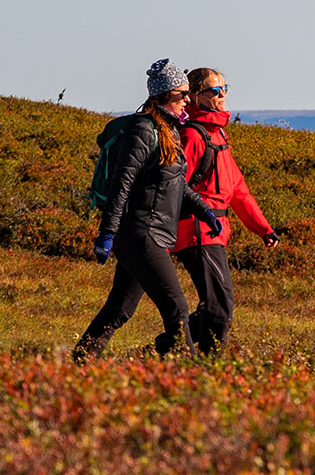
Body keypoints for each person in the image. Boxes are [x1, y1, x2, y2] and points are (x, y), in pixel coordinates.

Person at [73, 59, 222, 360]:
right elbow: (121, 184)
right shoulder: (143, 129)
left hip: (153, 234)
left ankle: (80, 360)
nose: (188, 101)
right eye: (183, 95)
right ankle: (191, 376)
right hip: (140, 234)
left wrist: (204, 211)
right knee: (177, 308)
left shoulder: (170, 131)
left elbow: (176, 184)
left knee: (120, 309)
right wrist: (107, 234)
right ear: (165, 95)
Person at [173, 67, 279, 355]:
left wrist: (263, 228)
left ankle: (166, 347)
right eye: (215, 91)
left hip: (213, 233)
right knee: (220, 309)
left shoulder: (218, 135)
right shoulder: (193, 136)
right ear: (194, 96)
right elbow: (175, 187)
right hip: (197, 232)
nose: (223, 96)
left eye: (225, 89)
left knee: (216, 307)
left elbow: (237, 189)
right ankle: (208, 369)